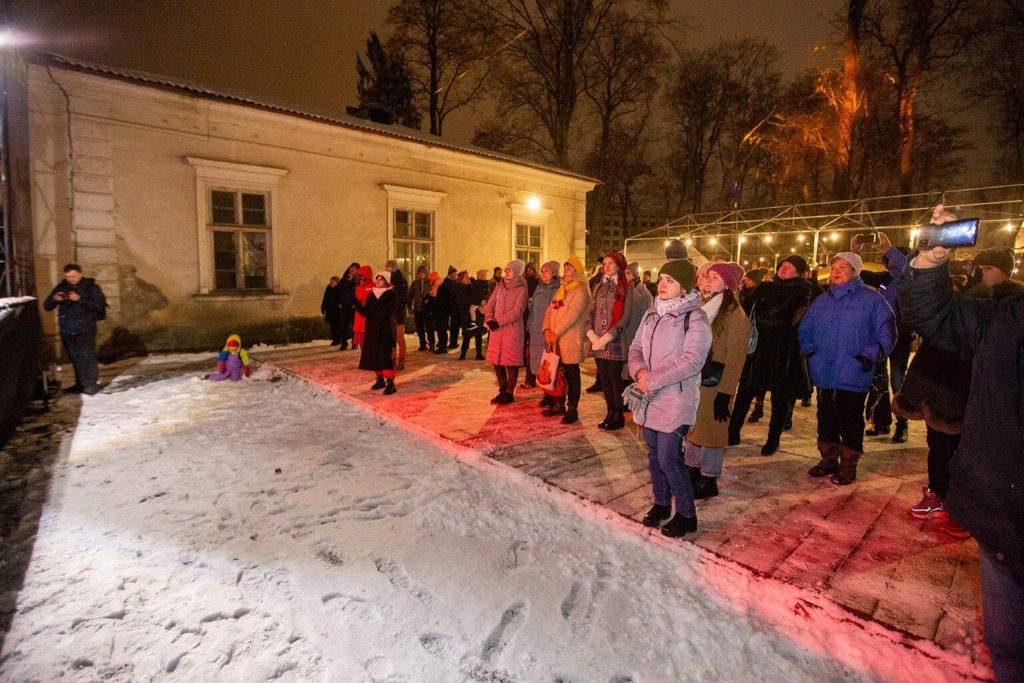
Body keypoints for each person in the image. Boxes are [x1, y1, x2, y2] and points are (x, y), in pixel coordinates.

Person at [897, 205, 1024, 682]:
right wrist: (930, 259)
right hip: (1004, 519)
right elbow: (936, 317)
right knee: (1009, 649)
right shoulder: (1010, 315)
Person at [895, 245, 1024, 536]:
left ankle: (960, 506)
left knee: (965, 453)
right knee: (938, 446)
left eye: (989, 269)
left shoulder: (1008, 305)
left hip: (971, 394)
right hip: (940, 387)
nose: (982, 274)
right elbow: (933, 318)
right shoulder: (971, 303)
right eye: (980, 268)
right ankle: (938, 493)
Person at [628, 259, 712, 538]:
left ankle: (687, 514)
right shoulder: (651, 314)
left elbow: (693, 361)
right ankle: (662, 504)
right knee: (653, 456)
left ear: (684, 286)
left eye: (670, 281)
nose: (662, 285)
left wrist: (653, 378)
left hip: (676, 399)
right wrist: (639, 371)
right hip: (649, 397)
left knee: (669, 458)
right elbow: (637, 347)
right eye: (661, 279)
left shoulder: (695, 318)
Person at [798, 252, 895, 485]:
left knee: (851, 420)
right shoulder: (821, 301)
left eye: (843, 266)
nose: (836, 271)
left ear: (855, 271)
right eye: (833, 267)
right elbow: (805, 330)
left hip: (853, 372)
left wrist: (869, 356)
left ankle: (848, 464)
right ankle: (829, 459)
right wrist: (810, 351)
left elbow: (887, 333)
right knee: (826, 417)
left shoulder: (872, 300)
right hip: (824, 373)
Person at [728, 255, 814, 454]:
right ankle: (733, 432)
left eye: (789, 266)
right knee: (745, 393)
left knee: (779, 399)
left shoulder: (803, 289)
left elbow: (785, 318)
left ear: (799, 271)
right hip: (758, 350)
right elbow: (745, 306)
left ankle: (772, 440)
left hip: (783, 352)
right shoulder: (766, 287)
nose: (783, 268)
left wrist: (762, 313)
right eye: (782, 265)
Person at [684, 262, 750, 500]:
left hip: (716, 382)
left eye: (715, 276)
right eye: (708, 275)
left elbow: (736, 357)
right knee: (693, 426)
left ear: (728, 284)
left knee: (711, 432)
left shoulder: (735, 315)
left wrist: (726, 393)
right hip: (696, 377)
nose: (708, 279)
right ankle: (691, 470)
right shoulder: (706, 306)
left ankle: (709, 478)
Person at [853, 233, 912, 442]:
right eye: (889, 261)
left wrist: (889, 249)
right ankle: (880, 421)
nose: (892, 265)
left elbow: (910, 269)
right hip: (879, 336)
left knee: (898, 381)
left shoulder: (909, 280)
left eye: (895, 260)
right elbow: (856, 275)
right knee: (878, 381)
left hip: (902, 337)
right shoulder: (884, 279)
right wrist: (854, 253)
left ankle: (902, 424)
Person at [587, 251, 638, 431]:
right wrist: (591, 334)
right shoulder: (599, 286)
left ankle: (618, 415)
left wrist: (608, 336)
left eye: (611, 263)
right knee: (605, 381)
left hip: (614, 339)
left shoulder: (626, 287)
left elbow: (625, 317)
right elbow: (590, 311)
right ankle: (610, 412)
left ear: (619, 266)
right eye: (605, 263)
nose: (606, 266)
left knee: (615, 380)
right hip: (597, 340)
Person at [43, 263, 108, 395]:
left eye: (73, 276)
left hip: (85, 328)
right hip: (67, 328)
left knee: (86, 357)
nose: (70, 279)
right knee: (75, 357)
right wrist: (55, 299)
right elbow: (47, 306)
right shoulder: (62, 286)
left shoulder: (92, 287)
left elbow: (100, 306)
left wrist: (79, 299)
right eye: (68, 276)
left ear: (80, 274)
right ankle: (80, 384)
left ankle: (90, 385)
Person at [542, 257, 591, 424]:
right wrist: (547, 329)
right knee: (557, 374)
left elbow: (572, 314)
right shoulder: (563, 288)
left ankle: (572, 408)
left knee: (571, 375)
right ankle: (558, 404)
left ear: (577, 270)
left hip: (570, 340)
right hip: (555, 339)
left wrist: (554, 332)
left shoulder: (581, 290)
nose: (566, 270)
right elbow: (550, 310)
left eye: (570, 267)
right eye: (565, 267)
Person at [485, 260, 528, 405]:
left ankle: (509, 393)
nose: (507, 271)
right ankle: (502, 390)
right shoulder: (500, 286)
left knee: (511, 363)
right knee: (497, 362)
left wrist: (499, 321)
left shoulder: (521, 288)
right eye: (506, 269)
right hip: (497, 330)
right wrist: (489, 318)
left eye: (510, 269)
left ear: (517, 272)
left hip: (512, 330)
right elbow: (490, 304)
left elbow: (518, 311)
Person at [352, 271, 399, 395]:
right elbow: (366, 312)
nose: (378, 281)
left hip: (384, 329)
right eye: (377, 279)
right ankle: (379, 379)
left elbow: (388, 311)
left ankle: (390, 382)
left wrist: (375, 313)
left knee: (384, 355)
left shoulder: (390, 294)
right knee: (374, 354)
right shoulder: (371, 295)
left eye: (381, 279)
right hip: (372, 329)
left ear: (386, 281)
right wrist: (356, 303)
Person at [738, 268, 769, 422]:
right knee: (747, 381)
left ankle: (758, 406)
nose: (746, 281)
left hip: (757, 344)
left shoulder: (761, 297)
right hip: (747, 341)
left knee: (755, 380)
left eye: (749, 279)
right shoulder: (744, 293)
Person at [527, 261, 561, 404]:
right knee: (540, 365)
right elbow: (532, 309)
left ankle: (554, 396)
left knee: (550, 365)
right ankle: (546, 393)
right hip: (536, 331)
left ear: (554, 272)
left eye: (546, 270)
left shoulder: (559, 288)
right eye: (542, 271)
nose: (542, 273)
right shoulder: (539, 288)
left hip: (549, 332)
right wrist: (530, 326)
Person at [622, 262, 654, 386]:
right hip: (625, 333)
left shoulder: (644, 293)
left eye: (628, 273)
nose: (625, 276)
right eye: (624, 273)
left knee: (632, 367)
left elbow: (649, 316)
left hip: (636, 334)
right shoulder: (624, 290)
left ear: (635, 275)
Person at [385, 260, 409, 370]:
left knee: (397, 338)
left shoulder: (395, 281)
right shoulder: (399, 280)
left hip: (396, 314)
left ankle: (398, 360)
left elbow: (401, 299)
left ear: (391, 268)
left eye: (387, 268)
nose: (386, 270)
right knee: (396, 338)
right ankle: (397, 360)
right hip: (397, 313)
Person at [456, 271, 484, 361]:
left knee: (478, 334)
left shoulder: (469, 286)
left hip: (475, 314)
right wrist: (477, 303)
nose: (468, 278)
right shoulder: (460, 289)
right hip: (466, 315)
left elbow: (477, 294)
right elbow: (466, 301)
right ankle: (463, 353)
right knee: (467, 335)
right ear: (461, 279)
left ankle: (479, 354)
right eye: (466, 277)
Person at [337, 263, 360, 350]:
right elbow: (339, 291)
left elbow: (357, 290)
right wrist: (340, 302)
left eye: (354, 268)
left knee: (355, 326)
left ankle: (355, 343)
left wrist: (353, 281)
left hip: (355, 306)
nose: (352, 269)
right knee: (344, 326)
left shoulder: (358, 280)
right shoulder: (344, 279)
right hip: (345, 306)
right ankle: (344, 344)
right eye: (351, 268)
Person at [351, 265, 374, 350]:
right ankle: (363, 357)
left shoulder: (373, 286)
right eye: (359, 277)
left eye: (362, 277)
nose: (360, 279)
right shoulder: (357, 287)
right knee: (361, 341)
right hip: (360, 317)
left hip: (368, 317)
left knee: (369, 341)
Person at [438, 266, 460, 352]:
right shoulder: (445, 284)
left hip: (454, 308)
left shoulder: (454, 283)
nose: (455, 275)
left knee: (455, 326)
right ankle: (444, 345)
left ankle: (453, 342)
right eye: (454, 273)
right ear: (450, 274)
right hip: (446, 309)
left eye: (456, 273)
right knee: (444, 327)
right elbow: (444, 297)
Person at [408, 266, 430, 351]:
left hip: (427, 309)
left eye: (423, 272)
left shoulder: (429, 282)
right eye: (420, 272)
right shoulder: (415, 283)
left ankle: (431, 343)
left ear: (426, 273)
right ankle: (422, 344)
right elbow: (410, 295)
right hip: (418, 308)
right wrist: (409, 306)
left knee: (429, 327)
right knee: (419, 327)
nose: (421, 274)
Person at [422, 271, 443, 351]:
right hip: (431, 311)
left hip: (433, 312)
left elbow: (434, 300)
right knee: (432, 328)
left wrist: (428, 300)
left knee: (435, 329)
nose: (430, 281)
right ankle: (435, 343)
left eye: (431, 279)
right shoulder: (434, 286)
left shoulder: (437, 287)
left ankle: (436, 344)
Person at [320, 276, 343, 345]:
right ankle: (335, 340)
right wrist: (323, 308)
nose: (332, 282)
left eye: (334, 281)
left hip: (337, 311)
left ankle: (339, 340)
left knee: (338, 326)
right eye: (331, 281)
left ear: (337, 282)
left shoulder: (339, 289)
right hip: (330, 310)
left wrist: (340, 305)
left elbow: (341, 299)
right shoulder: (328, 288)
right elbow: (325, 298)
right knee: (333, 326)